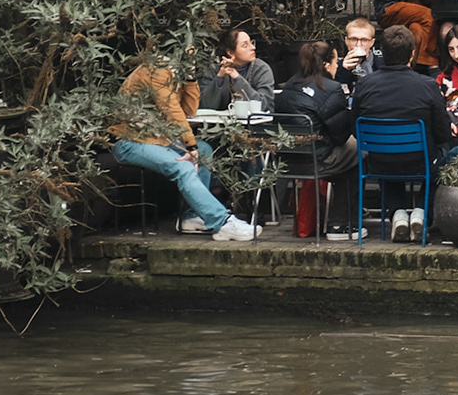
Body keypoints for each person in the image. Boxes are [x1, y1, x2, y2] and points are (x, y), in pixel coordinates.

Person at [110, 59, 260, 241]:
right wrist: (190, 145)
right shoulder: (156, 69)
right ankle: (221, 222)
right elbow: (171, 110)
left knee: (204, 150)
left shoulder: (177, 70)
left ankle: (191, 217)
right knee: (184, 166)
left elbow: (189, 109)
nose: (194, 55)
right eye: (190, 51)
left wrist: (190, 79)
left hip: (158, 139)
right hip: (130, 141)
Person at [352, 24, 454, 242]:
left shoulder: (365, 85)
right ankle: (421, 211)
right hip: (421, 162)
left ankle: (397, 213)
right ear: (412, 53)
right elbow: (443, 132)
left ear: (382, 53)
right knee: (446, 156)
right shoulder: (427, 85)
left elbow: (355, 126)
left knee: (388, 155)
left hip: (379, 161)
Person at [274, 40, 362, 239]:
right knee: (359, 151)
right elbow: (340, 136)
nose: (337, 65)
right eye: (335, 60)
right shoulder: (331, 89)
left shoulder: (289, 85)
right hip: (318, 159)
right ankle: (341, 224)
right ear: (326, 64)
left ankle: (334, 220)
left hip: (287, 161)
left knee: (349, 159)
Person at [199, 29, 275, 112]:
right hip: (220, 123)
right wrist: (219, 77)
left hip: (255, 123)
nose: (253, 48)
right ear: (230, 52)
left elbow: (264, 105)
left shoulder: (261, 69)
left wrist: (237, 78)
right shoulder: (215, 69)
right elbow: (204, 106)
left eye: (252, 43)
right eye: (245, 45)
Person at [336, 17, 381, 87]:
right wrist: (344, 70)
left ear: (372, 43)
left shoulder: (381, 66)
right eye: (354, 39)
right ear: (347, 41)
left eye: (364, 40)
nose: (358, 44)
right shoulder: (335, 67)